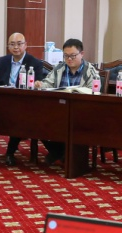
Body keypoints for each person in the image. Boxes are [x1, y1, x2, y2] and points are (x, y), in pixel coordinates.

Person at [38, 38, 97, 167]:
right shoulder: (59, 68)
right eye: (66, 56)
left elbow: (94, 91)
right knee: (38, 121)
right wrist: (41, 85)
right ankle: (60, 152)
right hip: (59, 110)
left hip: (81, 112)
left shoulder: (90, 70)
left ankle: (60, 153)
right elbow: (48, 83)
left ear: (82, 54)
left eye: (73, 56)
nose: (69, 59)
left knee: (70, 123)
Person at [0, 32, 46, 166]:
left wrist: (38, 84)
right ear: (8, 46)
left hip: (24, 103)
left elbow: (39, 83)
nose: (16, 47)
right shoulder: (2, 61)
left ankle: (10, 152)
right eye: (12, 44)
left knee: (18, 115)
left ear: (25, 45)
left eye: (19, 44)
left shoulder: (35, 63)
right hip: (2, 100)